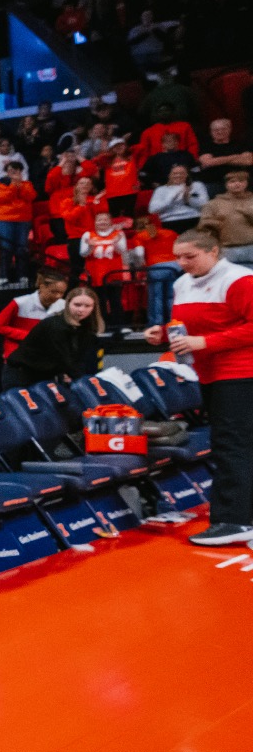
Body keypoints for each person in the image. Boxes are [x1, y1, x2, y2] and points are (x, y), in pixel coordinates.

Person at [144, 228, 253, 547]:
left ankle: (233, 521)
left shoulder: (238, 279)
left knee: (232, 446)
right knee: (232, 445)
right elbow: (188, 327)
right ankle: (242, 515)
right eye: (178, 257)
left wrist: (205, 342)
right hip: (208, 373)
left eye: (190, 256)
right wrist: (163, 334)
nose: (182, 262)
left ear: (214, 252)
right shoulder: (181, 283)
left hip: (239, 373)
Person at [0, 287, 103, 389]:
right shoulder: (54, 325)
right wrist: (87, 383)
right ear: (67, 304)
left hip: (47, 375)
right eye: (77, 305)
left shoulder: (86, 328)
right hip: (22, 374)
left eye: (87, 306)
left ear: (94, 307)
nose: (81, 310)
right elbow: (64, 359)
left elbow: (81, 359)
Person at [0, 270, 69, 363]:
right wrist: (28, 335)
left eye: (62, 293)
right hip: (18, 356)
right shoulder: (20, 302)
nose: (58, 296)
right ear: (42, 287)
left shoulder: (63, 305)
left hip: (47, 357)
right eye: (54, 292)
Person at [0, 162, 37, 285]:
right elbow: (1, 199)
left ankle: (22, 276)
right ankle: (3, 277)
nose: (14, 173)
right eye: (11, 171)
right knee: (6, 248)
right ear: (7, 172)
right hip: (3, 220)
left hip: (22, 220)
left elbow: (30, 196)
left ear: (21, 172)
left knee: (22, 249)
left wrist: (19, 186)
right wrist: (13, 186)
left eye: (16, 171)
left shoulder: (27, 184)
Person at [198, 169, 253, 266]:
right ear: (226, 184)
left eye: (241, 181)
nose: (237, 184)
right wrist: (215, 224)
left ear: (246, 183)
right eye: (232, 181)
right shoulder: (213, 204)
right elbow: (203, 226)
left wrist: (249, 213)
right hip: (227, 249)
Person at [149, 162, 209, 229]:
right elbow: (152, 210)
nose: (178, 175)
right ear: (169, 175)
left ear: (187, 175)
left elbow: (206, 205)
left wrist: (188, 199)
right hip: (170, 221)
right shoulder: (161, 189)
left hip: (193, 217)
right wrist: (171, 198)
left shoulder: (197, 185)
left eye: (182, 173)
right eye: (175, 173)